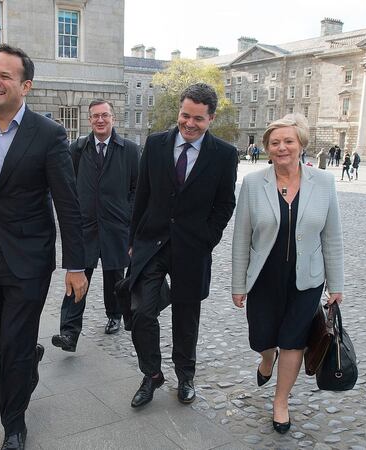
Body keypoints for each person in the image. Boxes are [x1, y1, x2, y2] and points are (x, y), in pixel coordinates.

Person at [0, 44, 87, 450]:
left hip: (29, 258)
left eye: (4, 75)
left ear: (25, 85)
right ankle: (29, 356)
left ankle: (14, 425)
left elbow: (67, 203)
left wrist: (75, 264)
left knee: (15, 345)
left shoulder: (48, 134)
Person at [231, 114, 344, 434]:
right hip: (264, 278)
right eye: (275, 142)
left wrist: (336, 284)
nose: (282, 147)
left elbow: (332, 236)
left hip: (307, 280)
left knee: (293, 341)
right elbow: (242, 237)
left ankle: (281, 402)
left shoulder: (324, 183)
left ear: (301, 145)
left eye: (288, 141)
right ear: (267, 148)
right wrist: (238, 284)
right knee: (262, 337)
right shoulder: (254, 184)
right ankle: (267, 360)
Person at [127, 83, 237, 408]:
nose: (189, 124)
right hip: (152, 243)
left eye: (198, 119)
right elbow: (141, 196)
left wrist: (207, 240)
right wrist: (133, 241)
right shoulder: (156, 144)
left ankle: (185, 376)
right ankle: (151, 375)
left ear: (211, 119)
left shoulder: (224, 155)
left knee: (186, 319)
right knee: (141, 313)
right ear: (180, 111)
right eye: (185, 116)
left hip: (193, 249)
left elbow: (224, 204)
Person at [51, 100, 139, 352]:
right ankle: (68, 332)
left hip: (116, 227)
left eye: (104, 115)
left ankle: (115, 315)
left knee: (114, 277)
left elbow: (138, 189)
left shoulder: (130, 150)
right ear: (89, 120)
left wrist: (127, 216)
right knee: (77, 277)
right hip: (85, 228)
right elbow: (67, 185)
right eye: (95, 117)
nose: (100, 120)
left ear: (113, 118)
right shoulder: (78, 148)